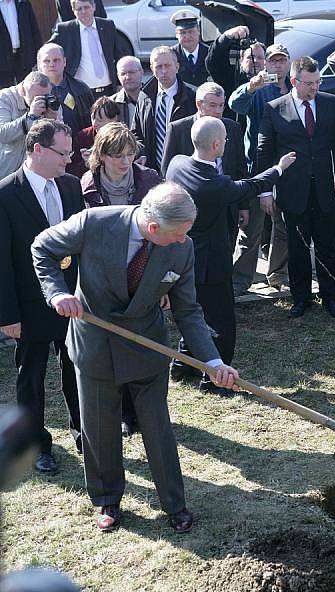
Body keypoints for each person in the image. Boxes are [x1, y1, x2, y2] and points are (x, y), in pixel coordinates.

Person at [31, 182, 239, 532]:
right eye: (176, 235)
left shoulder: (182, 248)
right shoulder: (94, 223)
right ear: (153, 227)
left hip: (147, 345)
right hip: (94, 342)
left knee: (157, 427)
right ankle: (107, 500)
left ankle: (175, 504)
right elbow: (42, 247)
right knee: (99, 427)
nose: (181, 241)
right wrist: (58, 293)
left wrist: (213, 362)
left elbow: (188, 310)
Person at [166, 116, 294, 391]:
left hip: (183, 258)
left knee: (192, 313)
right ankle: (214, 380)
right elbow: (248, 187)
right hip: (211, 262)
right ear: (215, 144)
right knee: (221, 321)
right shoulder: (213, 183)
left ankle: (182, 365)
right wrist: (278, 170)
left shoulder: (177, 164)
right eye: (224, 140)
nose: (226, 143)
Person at [0, 119, 83, 473]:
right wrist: (7, 315)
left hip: (71, 301)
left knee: (76, 368)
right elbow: (2, 260)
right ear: (37, 149)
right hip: (28, 305)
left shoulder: (71, 186)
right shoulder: (5, 194)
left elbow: (81, 248)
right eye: (62, 153)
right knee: (31, 376)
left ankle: (84, 432)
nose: (69, 160)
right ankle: (37, 445)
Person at [81, 122, 160, 437]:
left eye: (130, 154)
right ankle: (123, 413)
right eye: (117, 155)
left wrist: (162, 283)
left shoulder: (149, 181)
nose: (125, 161)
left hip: (141, 273)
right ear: (101, 155)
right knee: (113, 348)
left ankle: (144, 410)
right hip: (104, 278)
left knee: (142, 346)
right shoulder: (86, 186)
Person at [258, 56, 335, 319]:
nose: (315, 87)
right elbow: (265, 152)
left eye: (318, 82)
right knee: (297, 248)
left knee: (326, 246)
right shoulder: (274, 108)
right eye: (309, 83)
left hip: (326, 189)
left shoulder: (332, 104)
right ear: (294, 81)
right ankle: (301, 298)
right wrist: (265, 190)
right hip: (292, 190)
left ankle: (330, 296)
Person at [229, 43, 292, 294]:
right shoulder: (259, 89)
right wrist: (250, 86)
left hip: (288, 165)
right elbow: (235, 104)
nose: (277, 65)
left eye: (281, 60)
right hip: (258, 167)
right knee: (251, 227)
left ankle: (278, 273)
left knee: (283, 224)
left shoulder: (294, 87)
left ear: (288, 63)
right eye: (273, 61)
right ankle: (240, 279)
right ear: (266, 64)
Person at [161, 84, 246, 245]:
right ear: (199, 104)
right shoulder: (178, 129)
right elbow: (167, 173)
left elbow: (239, 169)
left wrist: (243, 206)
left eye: (221, 105)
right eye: (213, 105)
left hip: (226, 209)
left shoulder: (232, 128)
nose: (218, 111)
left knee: (224, 257)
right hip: (191, 211)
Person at [133, 46, 196, 172]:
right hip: (152, 170)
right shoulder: (144, 96)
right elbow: (136, 132)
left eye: (167, 66)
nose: (163, 71)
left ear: (177, 67)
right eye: (158, 67)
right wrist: (141, 154)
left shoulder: (192, 96)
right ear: (152, 69)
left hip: (183, 169)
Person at [49, 0, 122, 97]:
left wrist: (120, 83)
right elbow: (47, 51)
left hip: (109, 90)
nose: (83, 11)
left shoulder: (107, 26)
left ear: (94, 7)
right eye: (79, 9)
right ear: (74, 11)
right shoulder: (65, 30)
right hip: (80, 93)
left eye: (86, 7)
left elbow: (119, 54)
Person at [0, 71, 57, 181]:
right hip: (4, 172)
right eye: (35, 97)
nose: (39, 101)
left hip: (32, 175)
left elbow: (59, 140)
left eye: (44, 96)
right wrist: (30, 117)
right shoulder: (4, 98)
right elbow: (2, 134)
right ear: (22, 91)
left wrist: (54, 121)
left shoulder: (50, 102)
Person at [205, 27, 266, 118]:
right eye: (250, 57)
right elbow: (214, 62)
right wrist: (225, 38)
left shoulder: (272, 82)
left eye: (260, 57)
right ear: (241, 60)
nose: (255, 60)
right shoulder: (232, 78)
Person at [37, 43, 94, 136]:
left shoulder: (81, 88)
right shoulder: (32, 91)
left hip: (79, 144)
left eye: (56, 60)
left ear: (64, 62)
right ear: (39, 65)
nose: (52, 64)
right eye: (46, 61)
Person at [0, 0, 42, 89]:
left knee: (26, 89)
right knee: (4, 91)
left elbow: (34, 29)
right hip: (3, 57)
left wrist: (38, 53)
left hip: (23, 55)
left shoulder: (23, 2)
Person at [71, 96, 120, 177]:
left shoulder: (123, 137)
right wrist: (85, 163)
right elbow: (71, 169)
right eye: (93, 118)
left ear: (114, 120)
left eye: (100, 120)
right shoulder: (83, 137)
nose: (95, 124)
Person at [170, 10, 209, 89]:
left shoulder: (209, 53)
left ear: (198, 31)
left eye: (191, 31)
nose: (187, 36)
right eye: (182, 32)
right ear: (176, 34)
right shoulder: (171, 54)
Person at [112, 55, 144, 127]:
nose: (128, 77)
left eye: (131, 72)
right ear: (118, 76)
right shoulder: (111, 104)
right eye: (123, 74)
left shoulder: (154, 98)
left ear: (141, 72)